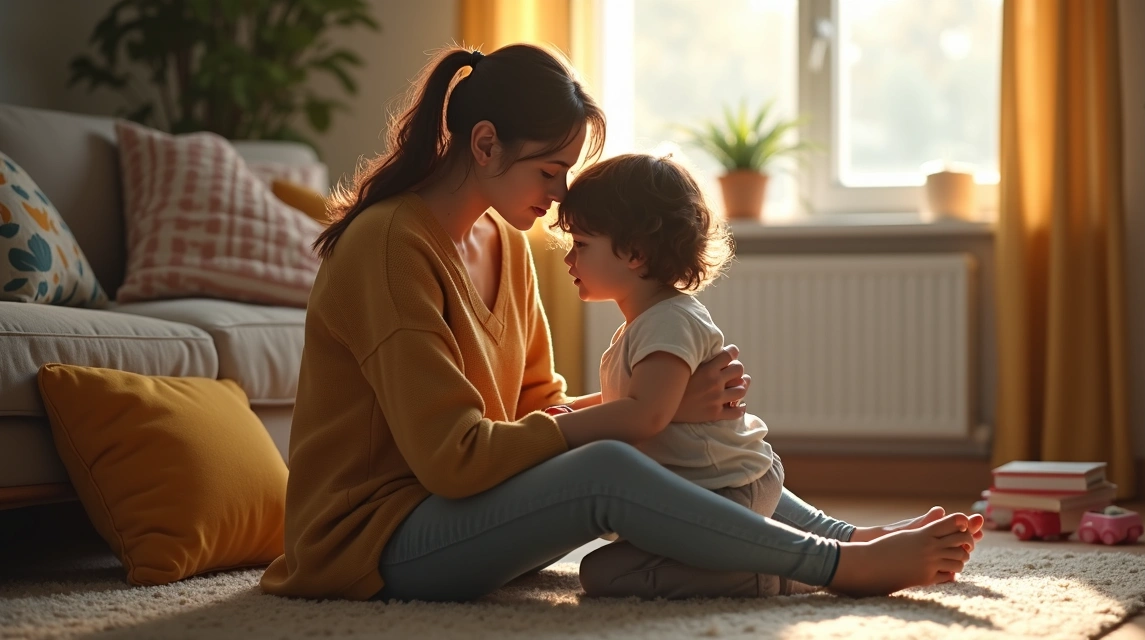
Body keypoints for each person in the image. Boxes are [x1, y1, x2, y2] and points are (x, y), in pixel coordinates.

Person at [258, 43, 979, 604]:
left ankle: (848, 536)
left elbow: (538, 409)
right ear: (485, 146)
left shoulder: (505, 240)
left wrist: (656, 414)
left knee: (655, 445)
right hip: (371, 542)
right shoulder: (389, 246)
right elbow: (455, 458)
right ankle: (835, 568)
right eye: (549, 171)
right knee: (610, 465)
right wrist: (631, 413)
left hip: (457, 507)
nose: (561, 195)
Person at [551, 153, 984, 598]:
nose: (568, 258)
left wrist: (553, 429)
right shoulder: (647, 322)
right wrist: (574, 408)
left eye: (581, 244)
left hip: (724, 490)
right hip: (736, 477)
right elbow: (631, 399)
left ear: (635, 254)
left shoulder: (666, 322)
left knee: (605, 575)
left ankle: (783, 576)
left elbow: (644, 415)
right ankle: (863, 541)